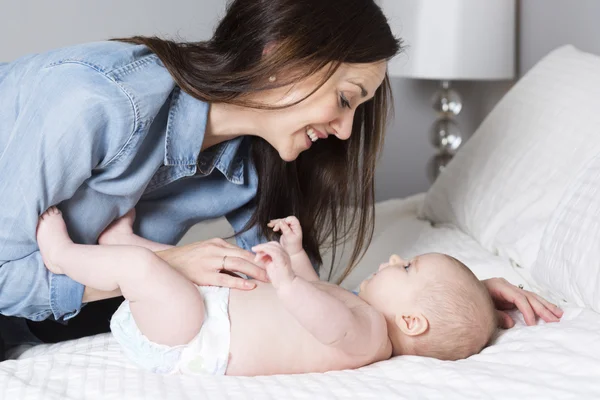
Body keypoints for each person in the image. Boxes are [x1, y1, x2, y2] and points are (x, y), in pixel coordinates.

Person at [0, 0, 559, 354]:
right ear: (283, 59)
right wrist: (166, 263)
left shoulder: (252, 164)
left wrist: (453, 306)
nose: (345, 132)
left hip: (55, 314)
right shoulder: (95, 103)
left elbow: (306, 309)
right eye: (345, 99)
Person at [37, 206, 498, 375]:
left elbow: (317, 314)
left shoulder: (371, 338)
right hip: (207, 311)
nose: (395, 259)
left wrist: (287, 281)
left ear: (412, 323)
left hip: (194, 340)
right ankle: (128, 244)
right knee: (226, 262)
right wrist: (295, 254)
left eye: (409, 268)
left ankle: (64, 257)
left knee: (144, 272)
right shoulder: (361, 313)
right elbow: (319, 296)